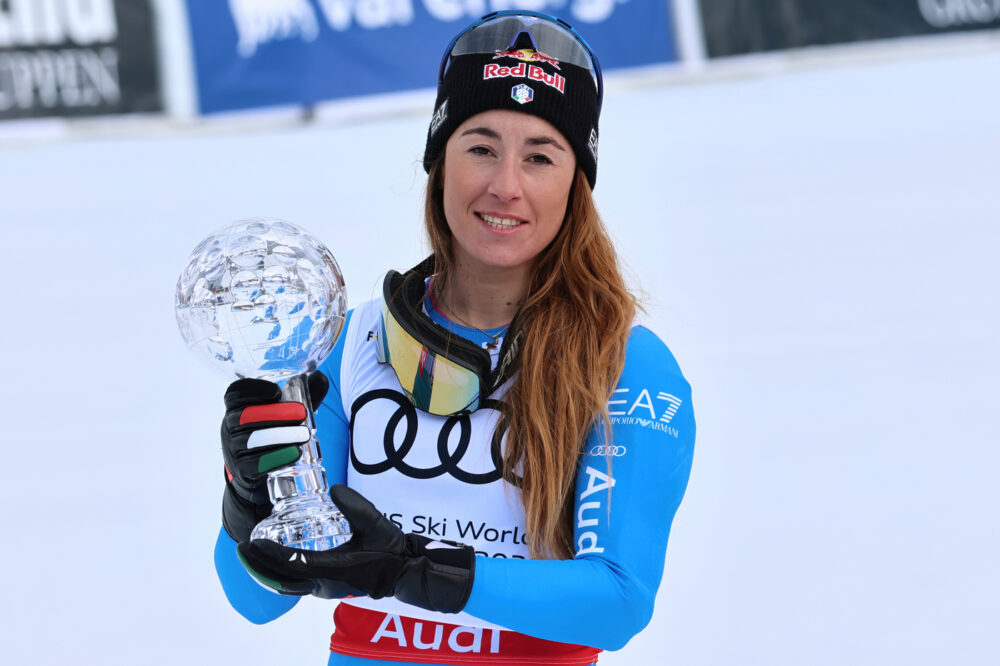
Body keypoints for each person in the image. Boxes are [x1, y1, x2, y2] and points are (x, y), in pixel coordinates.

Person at [214, 11, 696, 666]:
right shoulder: (348, 343)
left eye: (539, 157)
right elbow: (257, 598)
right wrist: (249, 500)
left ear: (576, 185)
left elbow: (616, 600)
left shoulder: (625, 364)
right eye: (481, 148)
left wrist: (412, 569)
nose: (506, 186)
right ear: (440, 163)